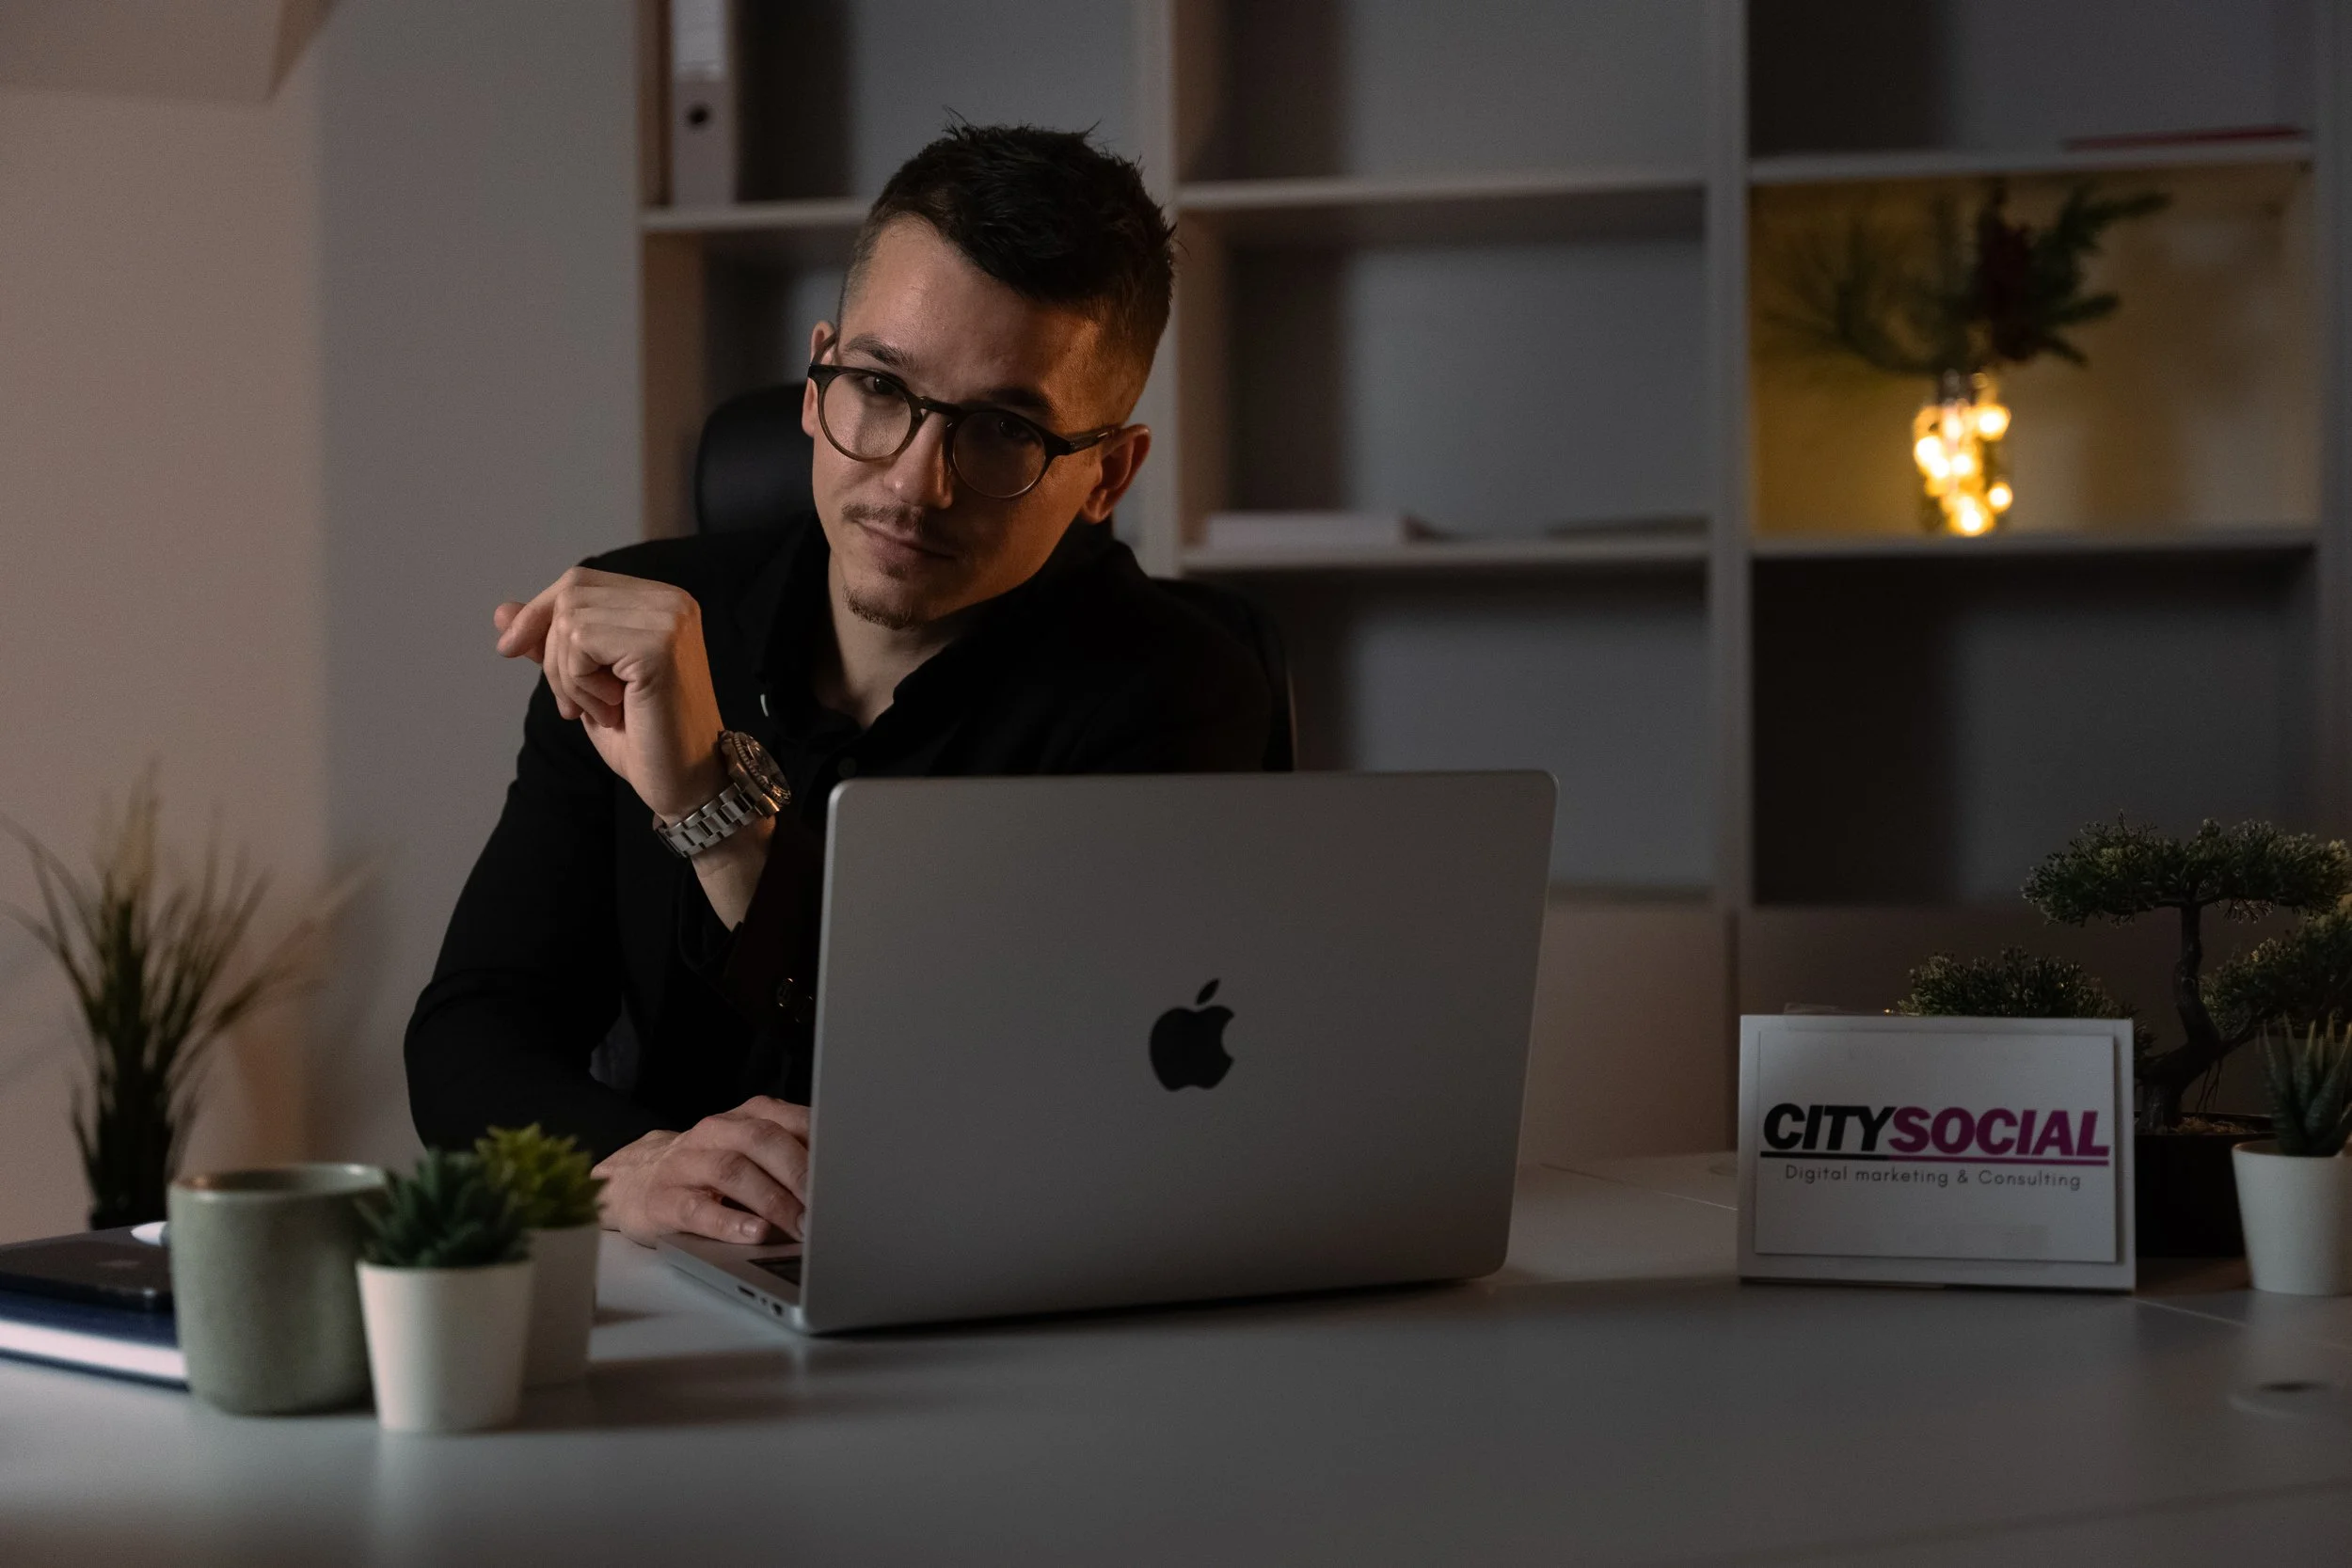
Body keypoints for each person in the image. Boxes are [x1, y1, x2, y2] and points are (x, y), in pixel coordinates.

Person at [405, 125, 1270, 1249]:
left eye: (1004, 429)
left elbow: (989, 1102)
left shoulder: (1177, 689)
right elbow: (469, 1034)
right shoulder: (642, 626)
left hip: (991, 1309)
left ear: (1106, 472)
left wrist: (714, 819)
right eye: (878, 386)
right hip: (672, 1302)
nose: (914, 481)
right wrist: (630, 1168)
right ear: (816, 384)